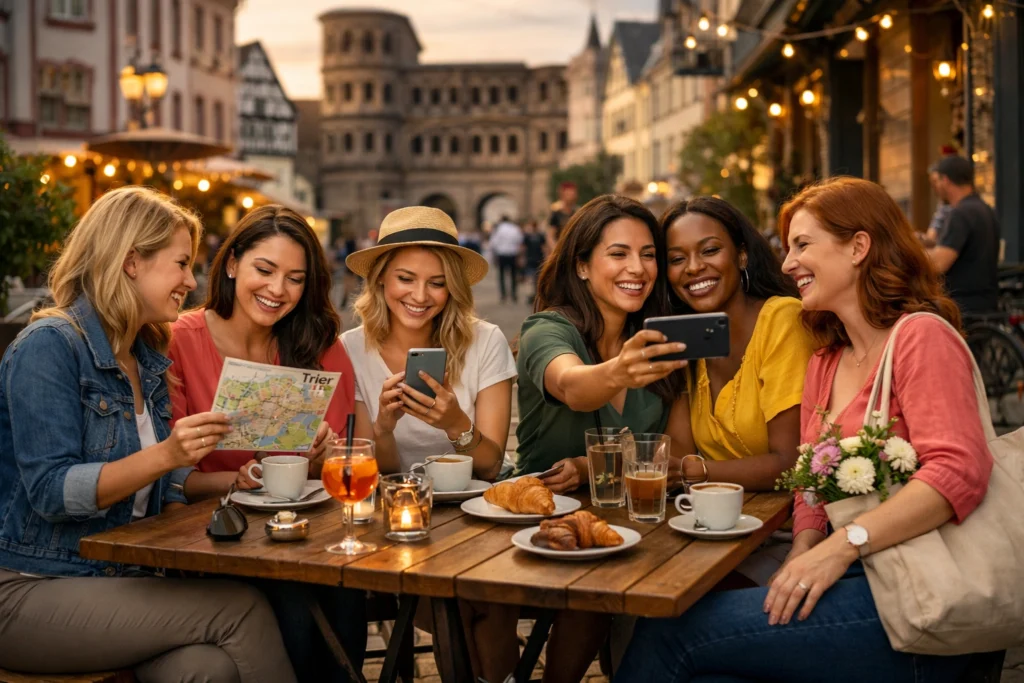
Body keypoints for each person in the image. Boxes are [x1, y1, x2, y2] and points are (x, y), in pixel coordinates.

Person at [617, 177, 991, 683]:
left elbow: (957, 472)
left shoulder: (920, 336)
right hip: (858, 576)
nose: (788, 262)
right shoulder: (826, 359)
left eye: (802, 245)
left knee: (670, 633)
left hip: (917, 596)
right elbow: (809, 482)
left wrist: (839, 548)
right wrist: (799, 556)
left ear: (859, 247)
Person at [0, 186, 296, 682]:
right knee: (240, 608)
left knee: (207, 668)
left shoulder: (146, 354)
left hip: (116, 579)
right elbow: (52, 492)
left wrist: (234, 481)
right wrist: (166, 454)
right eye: (181, 263)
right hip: (30, 585)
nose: (190, 279)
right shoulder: (49, 346)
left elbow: (157, 482)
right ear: (132, 261)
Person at [469, 195, 686, 683]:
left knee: (602, 590)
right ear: (583, 266)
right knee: (487, 597)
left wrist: (593, 469)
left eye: (648, 254)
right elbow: (572, 386)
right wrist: (620, 371)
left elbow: (674, 451)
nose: (638, 268)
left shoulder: (662, 338)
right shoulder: (547, 329)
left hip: (625, 530)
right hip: (530, 521)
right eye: (619, 253)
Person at [165, 205, 365, 683]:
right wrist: (231, 480)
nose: (278, 290)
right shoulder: (178, 340)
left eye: (295, 278)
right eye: (265, 269)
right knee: (292, 600)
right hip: (217, 535)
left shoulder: (318, 341)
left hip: (309, 532)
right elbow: (170, 476)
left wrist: (326, 454)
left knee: (346, 587)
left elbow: (351, 457)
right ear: (232, 263)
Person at [658, 197, 814, 585]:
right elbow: (677, 452)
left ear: (741, 256)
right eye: (677, 259)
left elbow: (789, 462)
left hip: (784, 534)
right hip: (714, 530)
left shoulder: (781, 319)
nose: (694, 268)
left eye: (710, 250)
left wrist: (698, 471)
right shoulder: (691, 339)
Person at [343, 206, 517, 479]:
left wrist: (456, 423)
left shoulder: (486, 341)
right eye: (405, 279)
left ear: (453, 288)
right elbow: (381, 475)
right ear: (379, 278)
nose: (420, 296)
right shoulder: (350, 349)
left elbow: (490, 468)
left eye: (437, 283)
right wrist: (383, 429)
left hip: (471, 503)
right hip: (394, 504)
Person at [927, 155, 1001, 314]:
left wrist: (910, 254)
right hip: (986, 303)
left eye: (937, 181)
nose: (936, 187)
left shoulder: (960, 214)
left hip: (962, 306)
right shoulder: (985, 209)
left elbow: (939, 263)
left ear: (945, 180)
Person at [490, 215, 525, 303]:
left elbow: (493, 243)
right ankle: (514, 295)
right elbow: (520, 240)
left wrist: (494, 255)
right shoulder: (515, 228)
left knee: (501, 276)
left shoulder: (498, 229)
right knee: (513, 275)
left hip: (502, 254)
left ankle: (503, 295)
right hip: (513, 254)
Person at [547, 180, 579, 251]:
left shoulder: (577, 213)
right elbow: (550, 236)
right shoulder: (556, 212)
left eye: (572, 194)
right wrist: (556, 250)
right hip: (559, 249)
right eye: (568, 194)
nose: (571, 196)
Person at [522, 219, 546, 304]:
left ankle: (533, 295)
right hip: (537, 259)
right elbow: (544, 248)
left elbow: (523, 248)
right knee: (535, 279)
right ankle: (535, 295)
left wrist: (522, 258)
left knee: (532, 279)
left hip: (532, 260)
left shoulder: (528, 236)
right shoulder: (540, 236)